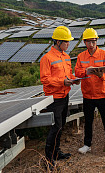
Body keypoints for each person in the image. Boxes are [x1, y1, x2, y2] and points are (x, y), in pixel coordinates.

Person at [75, 28, 105, 156]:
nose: (91, 44)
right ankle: (87, 145)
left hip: (102, 94)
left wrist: (101, 75)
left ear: (96, 41)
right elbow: (77, 72)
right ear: (84, 42)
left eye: (93, 41)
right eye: (88, 41)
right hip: (88, 95)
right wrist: (85, 71)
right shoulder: (81, 56)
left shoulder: (104, 55)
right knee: (88, 121)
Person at [40, 26, 80, 166]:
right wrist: (62, 81)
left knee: (61, 125)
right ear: (57, 42)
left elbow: (68, 74)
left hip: (65, 95)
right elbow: (45, 79)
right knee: (56, 126)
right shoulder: (47, 58)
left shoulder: (66, 57)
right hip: (54, 98)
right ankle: (49, 158)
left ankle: (56, 152)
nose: (69, 44)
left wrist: (74, 79)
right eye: (66, 41)